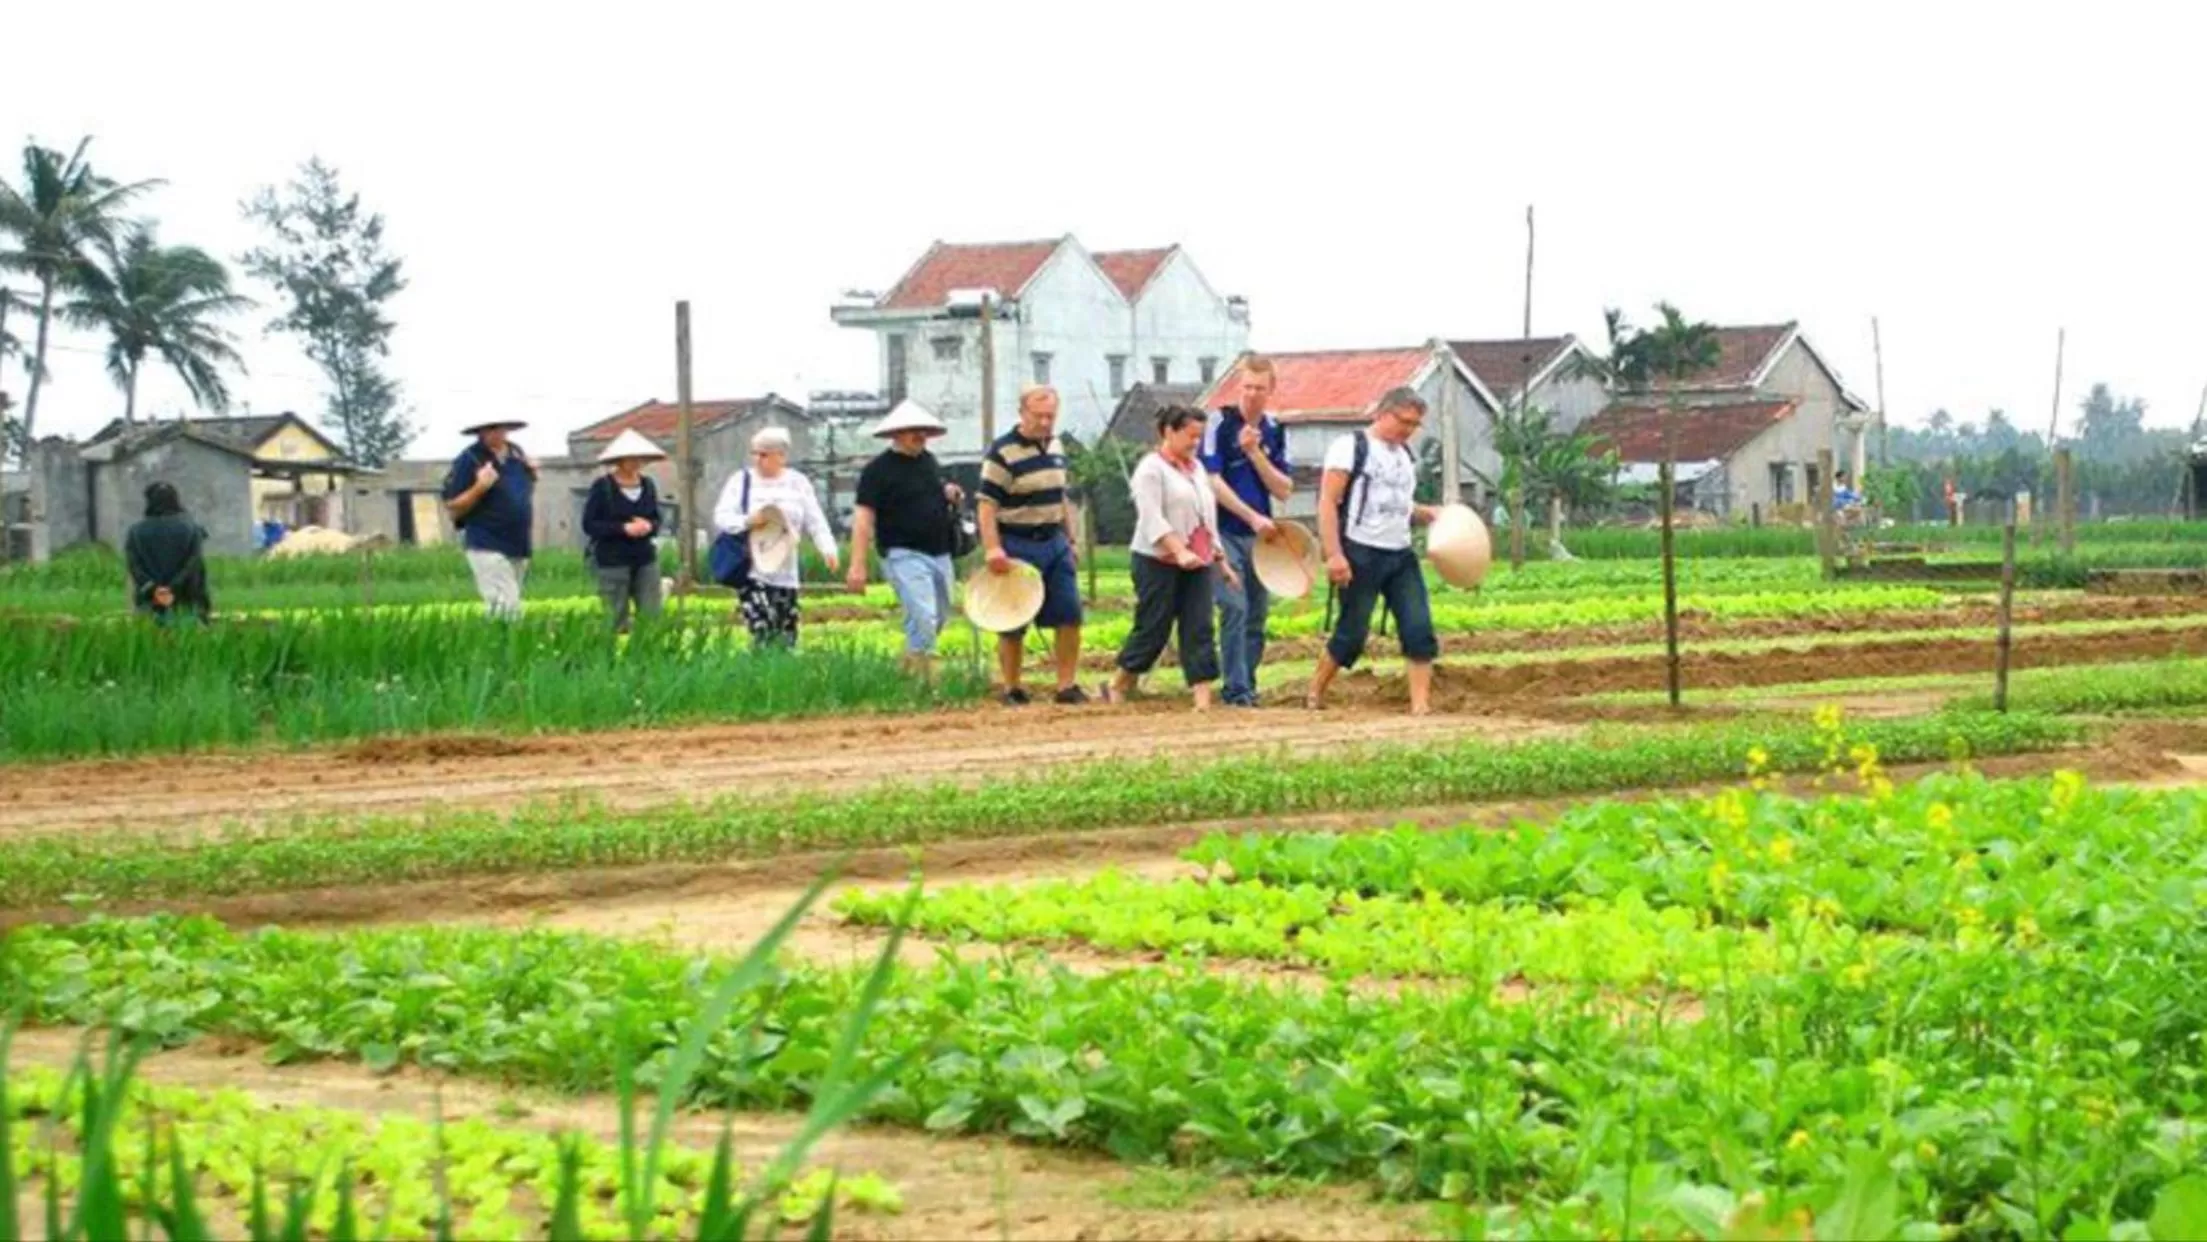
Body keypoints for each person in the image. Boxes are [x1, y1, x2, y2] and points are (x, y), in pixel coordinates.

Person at [1307, 387, 1442, 716]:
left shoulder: (1404, 456)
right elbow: (1327, 502)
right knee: (1352, 632)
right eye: (1403, 421)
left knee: (1418, 627)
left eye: (1415, 424)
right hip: (1361, 552)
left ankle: (1420, 706)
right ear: (1383, 413)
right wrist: (1334, 554)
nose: (1407, 430)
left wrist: (1427, 513)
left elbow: (1398, 504)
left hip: (1400, 553)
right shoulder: (1351, 447)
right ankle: (1314, 692)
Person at [1103, 405, 1238, 711]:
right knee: (1154, 626)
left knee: (1200, 626)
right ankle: (1120, 682)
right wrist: (1178, 551)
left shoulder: (1198, 469)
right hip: (1157, 562)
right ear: (1168, 432)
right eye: (1190, 436)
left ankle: (1202, 699)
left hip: (1198, 561)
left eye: (1199, 438)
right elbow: (1151, 518)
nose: (1195, 443)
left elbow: (1207, 519)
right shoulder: (1151, 469)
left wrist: (1221, 560)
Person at [977, 385, 1085, 705]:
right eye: (1038, 416)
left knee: (1069, 615)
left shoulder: (1056, 446)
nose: (1044, 422)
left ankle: (1066, 685)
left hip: (1054, 541)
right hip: (1016, 542)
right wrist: (993, 548)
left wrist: (1071, 537)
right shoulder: (1002, 452)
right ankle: (1012, 688)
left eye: (1050, 416)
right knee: (1012, 621)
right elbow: (986, 505)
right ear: (1022, 413)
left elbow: (1061, 496)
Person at [1201, 355, 1293, 707]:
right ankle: (1235, 688)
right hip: (1224, 529)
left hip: (1261, 536)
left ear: (1271, 390)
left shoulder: (1275, 429)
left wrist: (1255, 453)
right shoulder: (1219, 423)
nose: (1252, 395)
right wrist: (1250, 515)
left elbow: (1283, 488)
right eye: (1247, 387)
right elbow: (1212, 479)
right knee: (1234, 606)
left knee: (1257, 610)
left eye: (1259, 388)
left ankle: (1247, 682)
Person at [846, 401, 964, 678]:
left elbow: (936, 490)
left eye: (922, 430)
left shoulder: (929, 462)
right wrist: (857, 564)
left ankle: (909, 673)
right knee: (923, 614)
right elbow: (863, 518)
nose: (920, 435)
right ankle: (930, 679)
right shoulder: (877, 471)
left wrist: (949, 492)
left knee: (939, 613)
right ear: (896, 434)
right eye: (913, 430)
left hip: (940, 551)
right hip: (902, 553)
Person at [712, 425, 839, 648]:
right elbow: (722, 517)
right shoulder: (741, 481)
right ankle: (759, 674)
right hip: (752, 567)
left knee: (786, 631)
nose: (758, 459)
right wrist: (748, 521)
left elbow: (815, 519)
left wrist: (828, 549)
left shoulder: (798, 482)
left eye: (764, 454)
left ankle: (782, 677)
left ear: (781, 455)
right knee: (762, 628)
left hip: (786, 570)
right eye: (755, 454)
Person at [442, 418, 537, 619]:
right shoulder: (469, 460)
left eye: (500, 428)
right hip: (486, 541)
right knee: (506, 604)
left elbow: (522, 495)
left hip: (518, 542)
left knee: (506, 601)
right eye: (490, 429)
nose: (497, 433)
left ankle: (500, 644)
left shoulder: (518, 456)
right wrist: (480, 487)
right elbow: (453, 506)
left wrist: (532, 475)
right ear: (480, 432)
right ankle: (507, 644)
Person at [582, 428, 667, 633]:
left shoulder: (648, 485)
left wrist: (649, 526)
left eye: (639, 458)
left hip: (644, 557)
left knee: (650, 613)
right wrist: (623, 528)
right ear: (619, 460)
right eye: (630, 458)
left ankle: (646, 653)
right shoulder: (603, 487)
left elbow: (656, 518)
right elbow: (589, 524)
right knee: (615, 615)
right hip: (612, 559)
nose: (636, 462)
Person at [125, 481, 210, 624]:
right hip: (186, 603)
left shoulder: (135, 532)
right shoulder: (192, 529)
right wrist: (172, 588)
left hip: (149, 605)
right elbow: (193, 564)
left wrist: (154, 589)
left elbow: (134, 566)